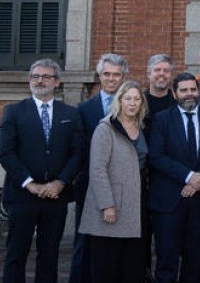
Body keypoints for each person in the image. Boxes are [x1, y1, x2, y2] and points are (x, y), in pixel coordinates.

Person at [0, 59, 84, 283]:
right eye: (35, 76)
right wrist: (30, 183)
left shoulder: (71, 113)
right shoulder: (14, 112)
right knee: (16, 254)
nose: (39, 81)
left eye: (46, 77)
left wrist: (60, 182)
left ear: (57, 82)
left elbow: (78, 153)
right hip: (22, 196)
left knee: (49, 255)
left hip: (56, 196)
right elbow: (5, 153)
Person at [148, 72, 200, 283]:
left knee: (196, 261)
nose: (189, 94)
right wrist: (188, 176)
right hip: (169, 201)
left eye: (193, 89)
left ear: (199, 91)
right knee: (166, 260)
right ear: (174, 93)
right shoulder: (162, 119)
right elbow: (156, 156)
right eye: (184, 90)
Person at [78, 81, 148, 283]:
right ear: (119, 101)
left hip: (136, 202)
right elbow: (97, 169)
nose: (132, 103)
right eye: (128, 98)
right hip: (112, 204)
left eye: (137, 99)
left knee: (132, 266)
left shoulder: (142, 127)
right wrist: (107, 204)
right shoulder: (105, 128)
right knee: (106, 265)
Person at [72, 53, 128, 283]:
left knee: (117, 242)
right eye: (107, 74)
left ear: (123, 77)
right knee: (84, 241)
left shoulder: (132, 106)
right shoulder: (84, 109)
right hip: (90, 185)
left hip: (123, 187)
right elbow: (79, 148)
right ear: (99, 76)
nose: (111, 79)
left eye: (116, 74)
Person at [145, 54, 177, 119]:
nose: (161, 73)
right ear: (149, 74)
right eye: (157, 70)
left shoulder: (178, 103)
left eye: (166, 71)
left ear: (171, 75)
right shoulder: (140, 103)